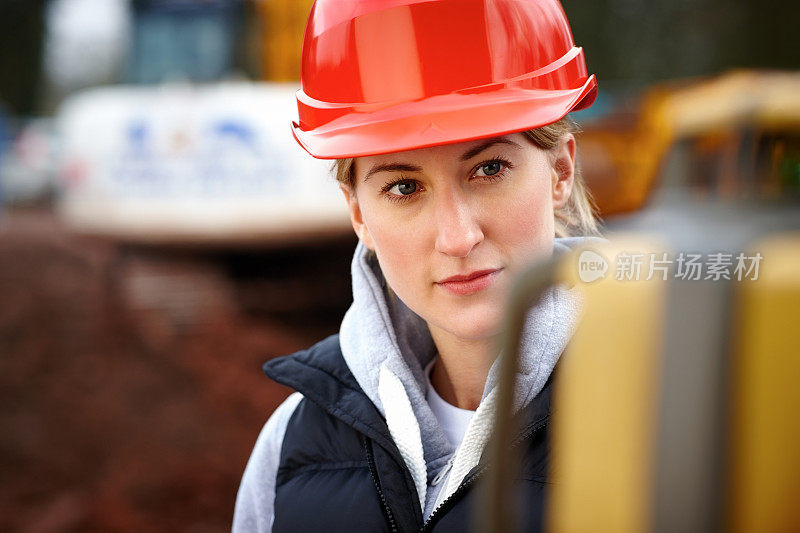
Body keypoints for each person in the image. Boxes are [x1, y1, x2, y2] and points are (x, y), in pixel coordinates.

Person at [234, 0, 602, 531]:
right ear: (358, 211)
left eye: (489, 168)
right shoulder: (291, 443)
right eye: (404, 187)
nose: (458, 238)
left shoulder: (677, 409)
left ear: (560, 170)